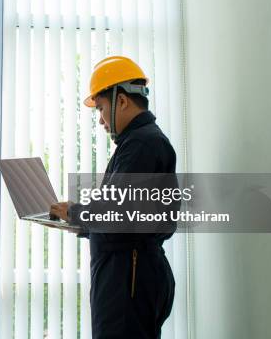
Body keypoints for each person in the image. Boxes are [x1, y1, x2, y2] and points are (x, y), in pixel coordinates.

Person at [50, 56, 176, 339]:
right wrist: (78, 222)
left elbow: (116, 213)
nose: (101, 121)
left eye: (102, 108)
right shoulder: (138, 142)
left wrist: (75, 213)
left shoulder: (142, 144)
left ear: (122, 101)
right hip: (127, 275)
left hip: (127, 280)